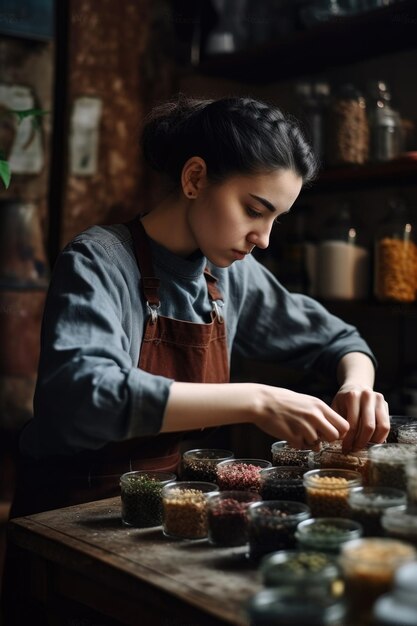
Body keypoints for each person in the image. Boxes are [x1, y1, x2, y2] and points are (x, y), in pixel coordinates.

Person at [10, 94, 390, 518]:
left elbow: (339, 340)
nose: (263, 238)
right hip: (66, 513)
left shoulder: (230, 274)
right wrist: (256, 400)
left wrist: (357, 385)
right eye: (253, 210)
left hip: (166, 509)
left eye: (274, 220)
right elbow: (87, 397)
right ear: (195, 178)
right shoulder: (97, 260)